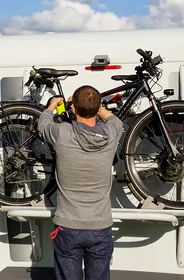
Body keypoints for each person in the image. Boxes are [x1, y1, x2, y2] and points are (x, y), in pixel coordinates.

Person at [38, 85, 124, 280]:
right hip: (100, 227)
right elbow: (114, 119)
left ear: (73, 109)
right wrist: (99, 107)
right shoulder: (111, 134)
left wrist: (51, 106)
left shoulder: (62, 133)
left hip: (67, 227)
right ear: (98, 108)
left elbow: (42, 125)